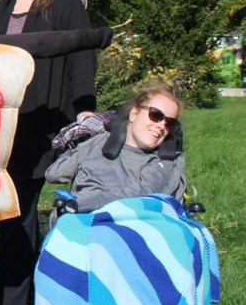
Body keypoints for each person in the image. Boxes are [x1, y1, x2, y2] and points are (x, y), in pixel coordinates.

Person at [0, 0, 98, 305]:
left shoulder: (63, 3)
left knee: (20, 212)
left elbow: (82, 56)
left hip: (40, 122)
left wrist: (85, 108)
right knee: (4, 215)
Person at [45, 80, 185, 212]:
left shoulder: (165, 162)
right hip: (82, 222)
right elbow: (54, 174)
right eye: (156, 115)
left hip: (129, 224)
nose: (161, 125)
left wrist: (80, 203)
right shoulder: (98, 142)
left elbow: (143, 195)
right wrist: (81, 139)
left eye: (170, 123)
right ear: (134, 113)